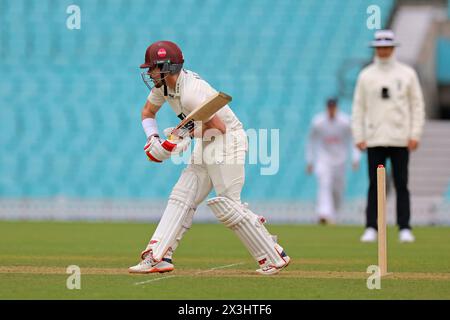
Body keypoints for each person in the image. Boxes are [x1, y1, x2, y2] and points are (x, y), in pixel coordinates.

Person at [128, 40, 290, 275]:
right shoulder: (163, 87)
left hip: (228, 140)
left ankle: (274, 255)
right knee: (182, 196)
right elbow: (147, 112)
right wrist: (153, 138)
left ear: (166, 67)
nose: (149, 73)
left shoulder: (192, 92)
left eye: (152, 68)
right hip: (208, 141)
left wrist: (183, 136)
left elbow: (219, 126)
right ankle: (158, 256)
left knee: (227, 205)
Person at [351, 30, 425, 243]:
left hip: (400, 138)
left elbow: (417, 105)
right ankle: (371, 227)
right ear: (376, 49)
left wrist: (415, 133)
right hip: (374, 138)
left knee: (402, 183)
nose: (383, 51)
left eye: (387, 47)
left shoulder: (407, 73)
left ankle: (404, 227)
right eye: (379, 47)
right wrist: (359, 134)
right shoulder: (366, 75)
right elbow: (358, 108)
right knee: (374, 184)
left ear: (393, 48)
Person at [306, 98, 361, 225]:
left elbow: (354, 139)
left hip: (340, 160)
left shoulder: (345, 121)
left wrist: (355, 157)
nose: (331, 110)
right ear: (327, 108)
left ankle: (333, 213)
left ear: (336, 107)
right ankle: (323, 214)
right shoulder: (318, 122)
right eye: (329, 107)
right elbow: (311, 141)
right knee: (324, 184)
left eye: (333, 107)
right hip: (323, 159)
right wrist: (310, 160)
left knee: (338, 189)